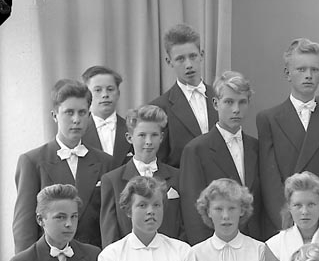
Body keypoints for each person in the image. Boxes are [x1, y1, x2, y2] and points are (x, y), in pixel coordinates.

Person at [257, 38, 319, 239]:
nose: (308, 75)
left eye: (314, 70)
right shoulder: (269, 119)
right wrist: (287, 224)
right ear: (287, 73)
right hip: (284, 226)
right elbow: (270, 180)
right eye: (301, 69)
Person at [13, 79, 112, 253]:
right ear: (55, 115)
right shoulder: (32, 161)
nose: (76, 120)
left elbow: (111, 222)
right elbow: (24, 227)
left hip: (94, 259)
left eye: (82, 113)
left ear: (89, 116)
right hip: (48, 260)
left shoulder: (106, 162)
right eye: (69, 112)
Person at [180, 71, 262, 243]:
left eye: (242, 102)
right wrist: (203, 250)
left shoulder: (256, 147)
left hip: (254, 242)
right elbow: (192, 210)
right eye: (229, 102)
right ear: (216, 104)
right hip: (214, 243)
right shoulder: (196, 150)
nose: (236, 109)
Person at [100, 105, 183, 247]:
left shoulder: (177, 176)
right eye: (142, 135)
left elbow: (184, 224)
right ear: (129, 137)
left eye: (154, 135)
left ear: (161, 137)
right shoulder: (112, 180)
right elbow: (110, 233)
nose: (148, 141)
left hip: (169, 254)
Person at [149, 23, 217, 168]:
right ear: (169, 62)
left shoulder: (220, 98)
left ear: (202, 55)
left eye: (193, 56)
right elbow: (159, 162)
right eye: (180, 59)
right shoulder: (159, 108)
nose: (188, 65)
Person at [81, 65, 132, 168]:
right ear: (87, 95)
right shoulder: (79, 133)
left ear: (118, 93)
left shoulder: (132, 129)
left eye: (110, 89)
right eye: (98, 90)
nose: (105, 95)